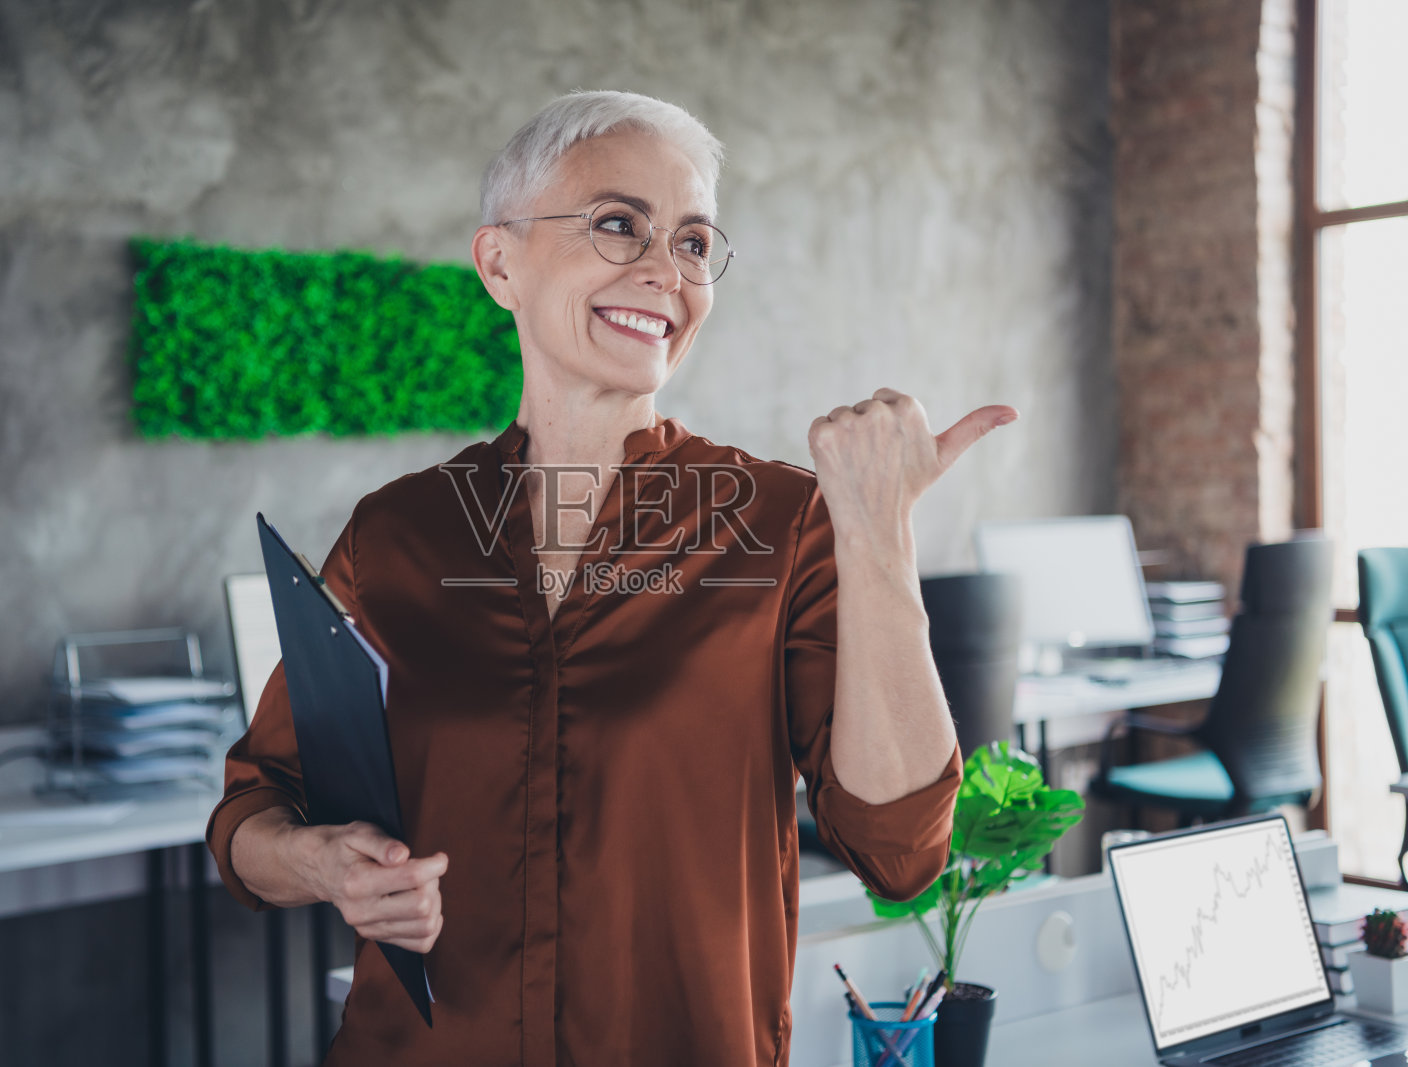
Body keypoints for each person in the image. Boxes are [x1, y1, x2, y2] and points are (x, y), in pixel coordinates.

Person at [206, 89, 1017, 1066]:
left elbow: (900, 849)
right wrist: (319, 861)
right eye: (618, 224)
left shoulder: (779, 523)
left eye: (691, 242)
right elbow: (256, 804)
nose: (663, 271)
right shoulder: (396, 534)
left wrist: (879, 536)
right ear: (498, 261)